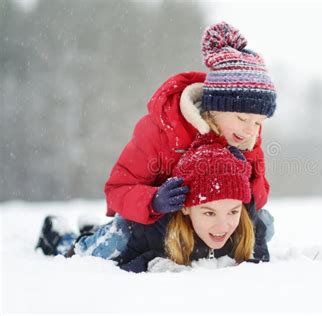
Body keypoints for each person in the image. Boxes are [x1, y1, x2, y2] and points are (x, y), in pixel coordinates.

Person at [103, 21, 276, 242]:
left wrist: (246, 165)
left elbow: (258, 202)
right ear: (215, 108)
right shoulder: (161, 129)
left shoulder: (245, 138)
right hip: (158, 225)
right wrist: (153, 200)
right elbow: (117, 189)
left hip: (212, 225)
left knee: (265, 224)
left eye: (258, 122)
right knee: (117, 240)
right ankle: (65, 238)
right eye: (242, 118)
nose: (250, 130)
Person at [36, 132, 269, 273]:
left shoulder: (245, 223)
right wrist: (154, 263)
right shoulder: (156, 230)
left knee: (269, 222)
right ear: (185, 207)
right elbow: (127, 263)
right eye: (209, 213)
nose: (222, 226)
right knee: (96, 251)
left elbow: (258, 250)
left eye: (233, 211)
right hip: (131, 227)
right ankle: (61, 234)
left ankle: (92, 227)